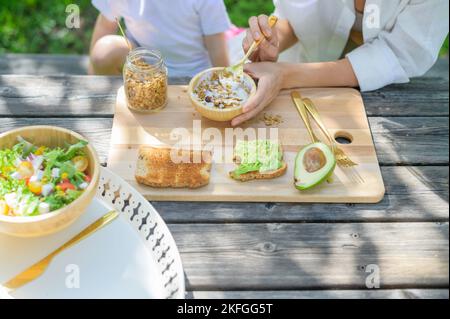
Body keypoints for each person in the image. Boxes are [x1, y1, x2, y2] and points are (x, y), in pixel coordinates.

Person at [232, 0, 449, 126]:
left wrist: (285, 75)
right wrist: (272, 41)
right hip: (301, 73)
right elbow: (296, 17)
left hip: (386, 103)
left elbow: (397, 54)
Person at [89, 0, 231, 77]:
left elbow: (218, 53)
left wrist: (224, 83)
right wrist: (92, 75)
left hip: (193, 74)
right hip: (144, 67)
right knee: (104, 50)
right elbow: (105, 25)